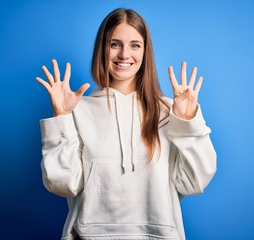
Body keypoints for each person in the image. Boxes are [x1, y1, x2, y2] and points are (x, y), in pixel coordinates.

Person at [36, 8, 216, 240]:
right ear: (102, 48)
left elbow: (194, 182)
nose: (124, 54)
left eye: (134, 45)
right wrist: (61, 117)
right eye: (114, 44)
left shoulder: (170, 110)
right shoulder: (78, 110)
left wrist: (187, 122)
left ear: (145, 51)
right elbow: (63, 184)